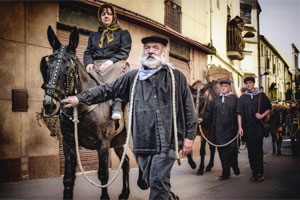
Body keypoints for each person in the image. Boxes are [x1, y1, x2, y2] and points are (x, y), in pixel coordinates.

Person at [62, 35, 197, 200]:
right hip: (142, 143)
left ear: (164, 51)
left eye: (155, 48)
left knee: (157, 181)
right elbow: (107, 90)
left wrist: (189, 136)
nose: (151, 51)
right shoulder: (133, 78)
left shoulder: (176, 77)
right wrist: (79, 98)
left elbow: (189, 109)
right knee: (154, 182)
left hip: (167, 142)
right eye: (147, 48)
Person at [84, 3, 132, 120]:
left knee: (118, 69)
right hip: (96, 65)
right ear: (100, 17)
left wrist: (109, 62)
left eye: (109, 14)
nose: (106, 16)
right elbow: (88, 52)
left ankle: (117, 103)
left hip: (115, 64)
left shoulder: (122, 33)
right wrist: (89, 63)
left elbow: (124, 52)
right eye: (103, 14)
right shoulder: (94, 35)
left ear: (113, 17)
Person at [199, 80, 243, 180]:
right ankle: (225, 173)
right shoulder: (215, 100)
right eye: (222, 86)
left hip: (231, 131)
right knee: (222, 152)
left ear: (229, 88)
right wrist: (202, 119)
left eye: (225, 86)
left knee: (232, 151)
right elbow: (208, 112)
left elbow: (239, 113)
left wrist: (240, 127)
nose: (223, 88)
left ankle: (235, 166)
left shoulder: (235, 99)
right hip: (218, 131)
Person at [239, 76, 271, 182]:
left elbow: (269, 108)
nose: (248, 84)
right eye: (247, 83)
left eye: (250, 83)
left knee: (258, 151)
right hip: (247, 129)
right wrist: (240, 128)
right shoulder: (243, 98)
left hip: (258, 129)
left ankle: (260, 173)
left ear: (253, 84)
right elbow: (239, 114)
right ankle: (254, 173)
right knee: (251, 153)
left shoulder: (261, 96)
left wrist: (262, 116)